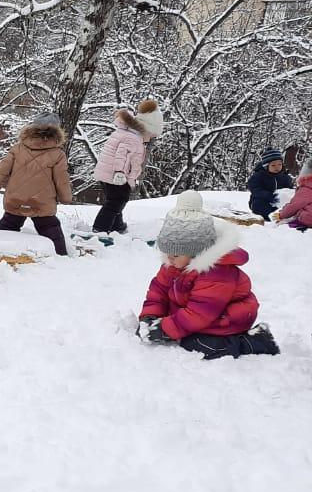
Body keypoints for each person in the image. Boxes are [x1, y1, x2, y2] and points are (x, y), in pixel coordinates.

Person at [138, 191, 279, 359]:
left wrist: (164, 329)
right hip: (199, 313)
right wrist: (150, 316)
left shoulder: (216, 273)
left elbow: (200, 313)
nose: (169, 258)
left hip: (227, 317)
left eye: (175, 254)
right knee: (182, 331)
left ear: (195, 252)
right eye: (166, 251)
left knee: (196, 344)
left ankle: (256, 341)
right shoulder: (174, 263)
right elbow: (158, 291)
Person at [0, 111, 72, 255]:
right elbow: (61, 179)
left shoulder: (18, 149)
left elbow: (2, 168)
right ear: (57, 133)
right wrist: (65, 197)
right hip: (42, 200)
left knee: (9, 223)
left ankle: (1, 250)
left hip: (16, 197)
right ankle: (60, 254)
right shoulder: (58, 154)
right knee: (50, 227)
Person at [92, 97, 164, 234]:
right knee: (116, 202)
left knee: (117, 200)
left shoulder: (129, 133)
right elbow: (121, 154)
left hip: (110, 174)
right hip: (117, 175)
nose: (152, 138)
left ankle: (116, 225)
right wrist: (120, 172)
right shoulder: (133, 139)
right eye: (152, 134)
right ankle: (100, 228)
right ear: (146, 128)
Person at [246, 148, 294, 220]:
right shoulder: (259, 176)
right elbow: (255, 189)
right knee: (259, 205)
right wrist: (269, 195)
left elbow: (289, 189)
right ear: (266, 166)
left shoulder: (284, 177)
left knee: (289, 206)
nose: (277, 167)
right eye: (273, 165)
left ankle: (282, 216)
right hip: (263, 200)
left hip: (279, 202)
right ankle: (266, 216)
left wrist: (288, 194)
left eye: (279, 164)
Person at [272, 155, 312, 231]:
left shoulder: (306, 188)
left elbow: (294, 206)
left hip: (309, 219)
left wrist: (281, 215)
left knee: (285, 226)